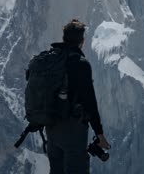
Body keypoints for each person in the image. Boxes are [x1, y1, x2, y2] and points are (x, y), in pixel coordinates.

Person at [46, 19, 111, 174]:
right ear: (82, 41)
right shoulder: (81, 64)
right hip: (73, 131)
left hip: (51, 129)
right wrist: (99, 134)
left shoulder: (51, 59)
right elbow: (90, 101)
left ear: (64, 38)